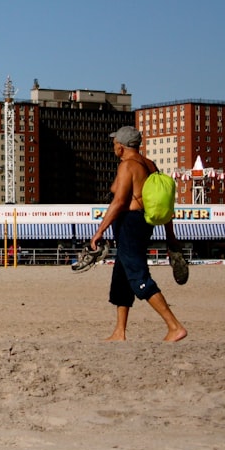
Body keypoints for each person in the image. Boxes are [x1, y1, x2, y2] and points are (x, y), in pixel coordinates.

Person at [91, 126, 187, 342]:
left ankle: (174, 326)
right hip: (143, 223)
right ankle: (119, 331)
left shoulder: (128, 166)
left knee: (137, 275)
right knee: (122, 277)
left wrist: (99, 231)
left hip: (130, 223)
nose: (113, 146)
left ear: (121, 146)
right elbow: (162, 201)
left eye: (114, 142)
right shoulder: (150, 165)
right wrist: (170, 236)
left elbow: (119, 202)